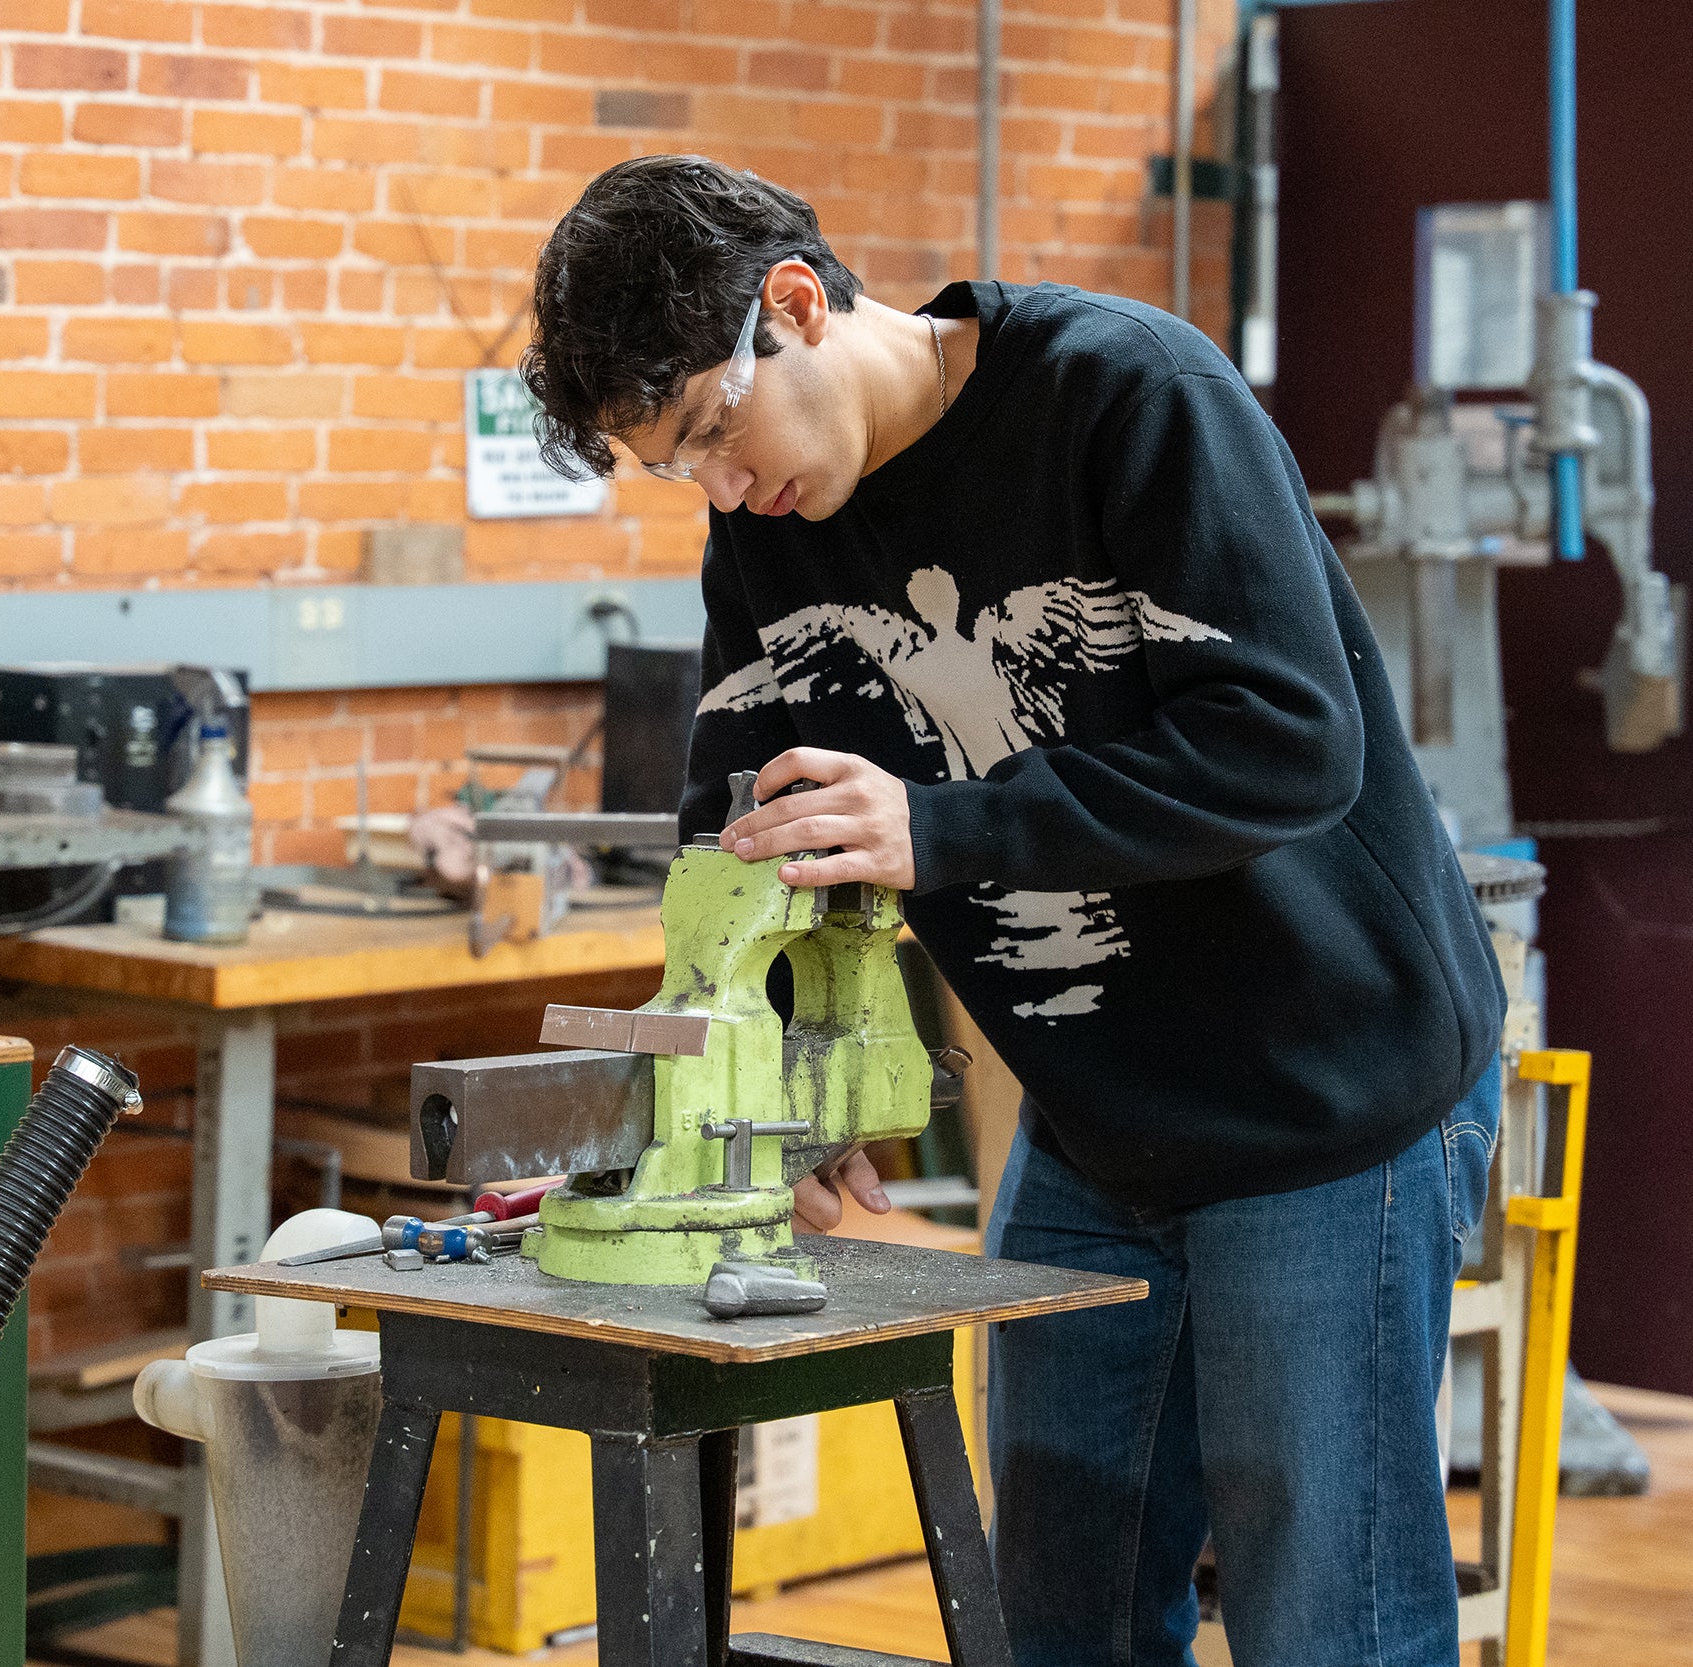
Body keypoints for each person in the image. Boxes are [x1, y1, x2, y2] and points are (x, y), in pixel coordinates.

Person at [521, 154, 1506, 1667]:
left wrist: (943, 825)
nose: (719, 488)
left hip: (1328, 1103)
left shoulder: (1129, 396)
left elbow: (1291, 741)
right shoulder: (775, 519)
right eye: (676, 466)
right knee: (1053, 1622)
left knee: (1330, 1629)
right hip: (1098, 1128)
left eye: (716, 430)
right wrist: (771, 1083)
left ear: (795, 303)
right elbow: (743, 823)